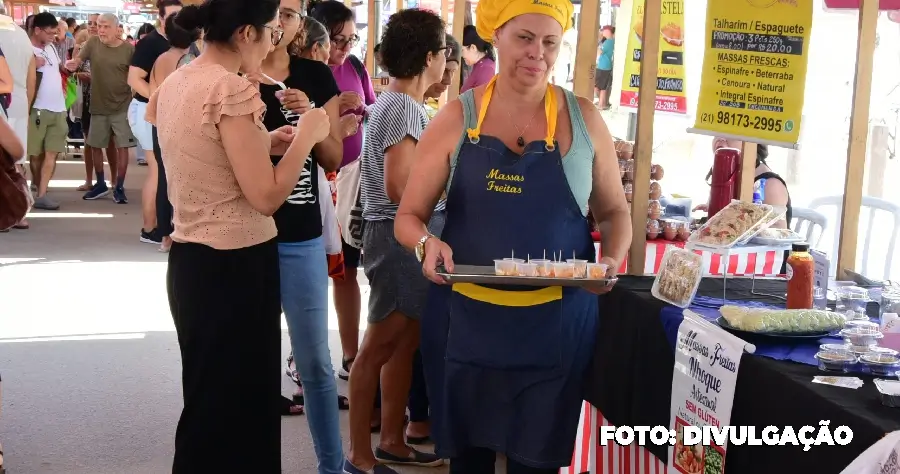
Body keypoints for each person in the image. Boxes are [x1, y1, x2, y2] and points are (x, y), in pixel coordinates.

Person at [394, 0, 632, 470]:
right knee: (469, 462)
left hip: (557, 324)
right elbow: (409, 217)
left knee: (537, 461)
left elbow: (614, 213)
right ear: (495, 37)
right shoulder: (457, 117)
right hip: (466, 322)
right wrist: (426, 244)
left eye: (549, 43)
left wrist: (612, 259)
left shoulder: (584, 119)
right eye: (524, 38)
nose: (537, 54)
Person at [147, 1, 330, 471]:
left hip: (191, 259)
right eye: (272, 30)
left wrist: (265, 142)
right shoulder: (230, 88)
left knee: (208, 402)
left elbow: (199, 150)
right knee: (242, 411)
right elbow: (266, 197)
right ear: (247, 32)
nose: (275, 41)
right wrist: (308, 134)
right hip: (236, 263)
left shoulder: (178, 79)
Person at [343, 9, 448, 474]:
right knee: (379, 346)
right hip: (399, 240)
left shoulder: (394, 102)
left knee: (404, 343)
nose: (447, 61)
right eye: (444, 53)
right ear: (429, 57)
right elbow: (398, 187)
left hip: (399, 240)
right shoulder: (404, 107)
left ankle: (391, 440)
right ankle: (360, 457)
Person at [255, 0, 347, 471]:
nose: (279, 22)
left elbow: (332, 158)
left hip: (301, 238)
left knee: (314, 363)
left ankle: (331, 466)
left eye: (290, 13)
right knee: (249, 363)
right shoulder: (230, 78)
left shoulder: (315, 77)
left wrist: (312, 118)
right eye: (274, 11)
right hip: (243, 237)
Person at [310, 0, 375, 381]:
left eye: (352, 38)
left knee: (348, 268)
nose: (346, 47)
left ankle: (351, 353)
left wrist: (360, 107)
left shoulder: (354, 66)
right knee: (320, 267)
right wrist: (335, 113)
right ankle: (309, 356)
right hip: (319, 177)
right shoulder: (308, 71)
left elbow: (371, 105)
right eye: (338, 39)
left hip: (353, 176)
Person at [66, 13, 136, 204]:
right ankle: (99, 184)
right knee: (95, 145)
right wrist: (74, 64)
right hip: (97, 105)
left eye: (105, 26)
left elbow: (136, 76)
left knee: (122, 147)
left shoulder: (128, 50)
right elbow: (79, 60)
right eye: (99, 26)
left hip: (122, 106)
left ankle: (119, 186)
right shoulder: (92, 43)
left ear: (117, 28)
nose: (101, 30)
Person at [129, 0, 182, 244]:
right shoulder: (151, 43)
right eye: (171, 16)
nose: (176, 21)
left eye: (179, 16)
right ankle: (150, 228)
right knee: (158, 170)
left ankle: (155, 227)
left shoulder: (176, 44)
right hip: (146, 110)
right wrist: (161, 100)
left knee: (162, 170)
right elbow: (134, 78)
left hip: (159, 111)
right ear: (160, 18)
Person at [148, 12, 199, 254]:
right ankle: (177, 232)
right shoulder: (192, 60)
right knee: (182, 181)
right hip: (183, 127)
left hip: (160, 125)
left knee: (164, 180)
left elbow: (152, 93)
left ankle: (164, 235)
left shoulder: (161, 59)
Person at [0, 5, 36, 229]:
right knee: (14, 162)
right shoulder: (22, 35)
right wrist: (28, 104)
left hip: (8, 105)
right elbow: (31, 76)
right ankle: (19, 211)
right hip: (16, 103)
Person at [28, 12, 66, 211]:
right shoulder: (27, 50)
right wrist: (32, 65)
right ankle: (36, 183)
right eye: (50, 33)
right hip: (37, 109)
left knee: (52, 152)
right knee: (35, 155)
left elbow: (57, 68)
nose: (53, 37)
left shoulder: (51, 47)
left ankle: (42, 194)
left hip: (58, 108)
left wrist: (67, 66)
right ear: (37, 30)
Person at [460, 24, 495, 93]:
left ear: (473, 48)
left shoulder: (486, 68)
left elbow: (481, 101)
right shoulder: (481, 64)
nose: (461, 55)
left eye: (462, 50)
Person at [595, 25, 614, 109]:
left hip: (604, 66)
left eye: (604, 30)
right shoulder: (609, 41)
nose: (602, 32)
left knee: (600, 87)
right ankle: (602, 102)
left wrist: (598, 43)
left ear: (609, 31)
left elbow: (599, 52)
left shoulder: (608, 42)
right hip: (604, 65)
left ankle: (601, 104)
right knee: (602, 86)